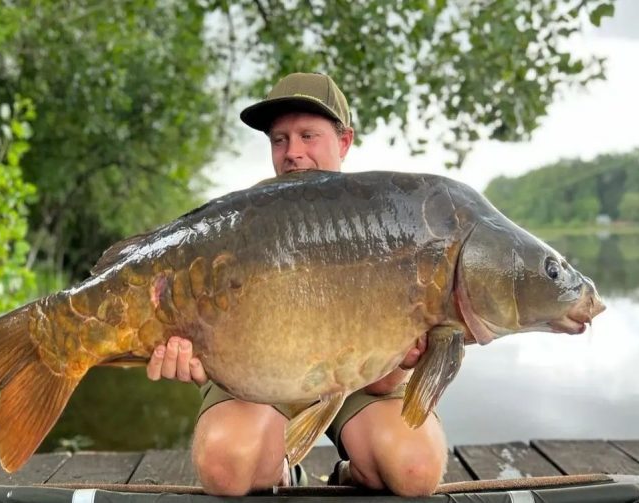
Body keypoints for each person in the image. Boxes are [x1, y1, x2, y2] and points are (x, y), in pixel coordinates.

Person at [146, 72, 447, 497]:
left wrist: (402, 359)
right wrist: (197, 360)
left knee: (414, 471)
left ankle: (354, 473)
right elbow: (217, 350)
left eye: (308, 135)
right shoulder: (240, 224)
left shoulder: (388, 225)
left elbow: (381, 384)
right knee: (227, 468)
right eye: (280, 140)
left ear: (344, 142)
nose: (294, 154)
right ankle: (283, 473)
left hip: (355, 377)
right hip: (260, 373)